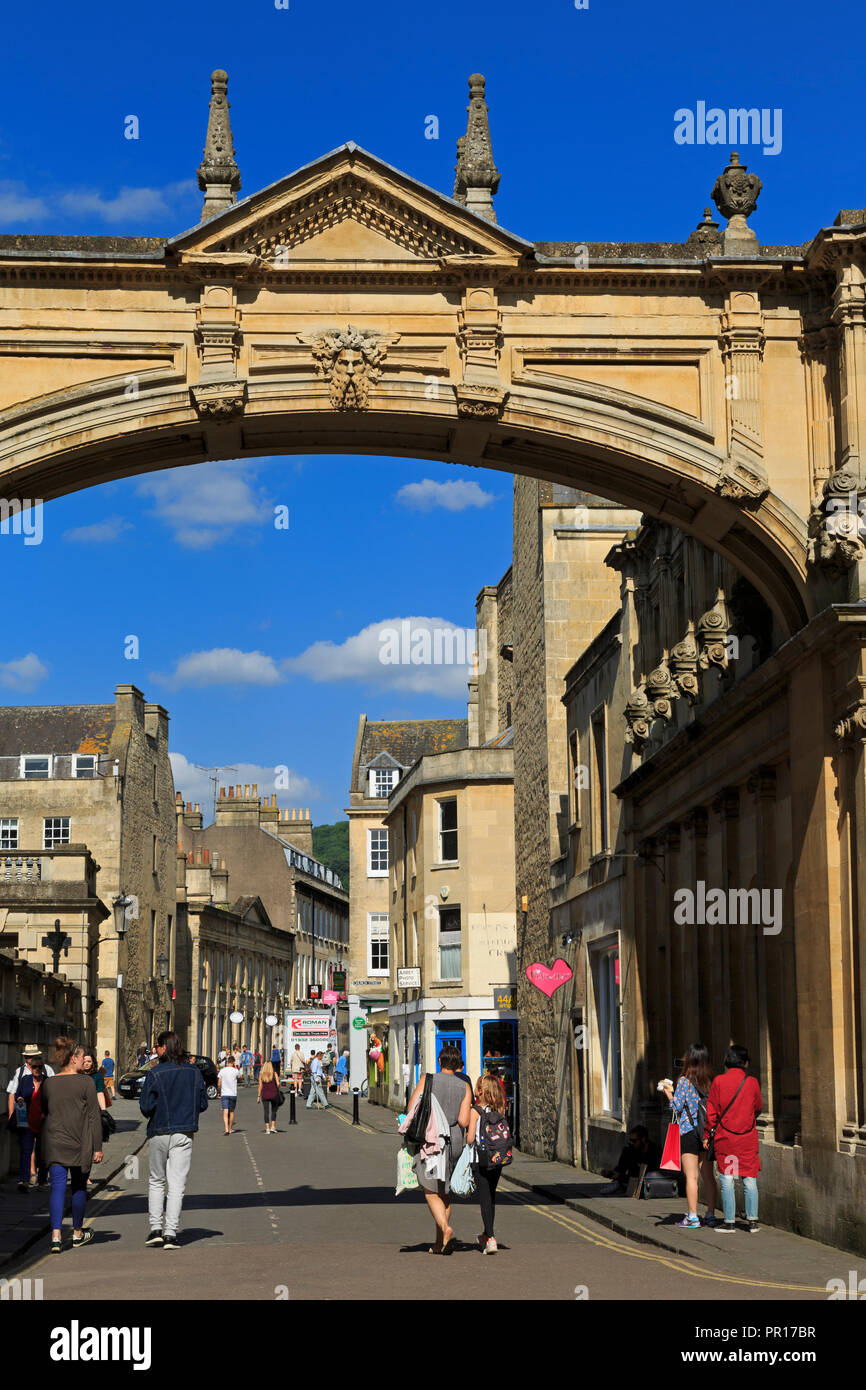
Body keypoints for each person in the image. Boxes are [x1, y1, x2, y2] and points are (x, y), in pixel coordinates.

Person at [139, 1031, 208, 1249]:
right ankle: (171, 1233)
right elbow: (203, 1103)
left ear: (163, 1048)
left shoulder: (155, 1072)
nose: (155, 1051)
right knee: (177, 1184)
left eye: (156, 1047)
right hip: (184, 1131)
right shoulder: (193, 1071)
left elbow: (145, 1106)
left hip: (159, 1131)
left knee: (157, 1180)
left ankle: (155, 1229)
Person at [406, 1043, 472, 1254]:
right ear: (458, 1065)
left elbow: (411, 1108)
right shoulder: (465, 1086)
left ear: (440, 1061)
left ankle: (445, 1228)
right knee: (443, 1192)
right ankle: (440, 1243)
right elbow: (463, 1120)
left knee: (429, 1189)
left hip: (433, 1141)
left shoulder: (428, 1079)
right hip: (454, 1143)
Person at [41, 1036, 103, 1253]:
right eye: (81, 1055)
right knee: (78, 1187)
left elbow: (44, 1111)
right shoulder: (86, 1082)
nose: (84, 1059)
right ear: (74, 1058)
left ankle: (56, 1236)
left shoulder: (49, 1083)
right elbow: (94, 1117)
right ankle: (77, 1233)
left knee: (57, 1188)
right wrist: (97, 1147)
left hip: (55, 1142)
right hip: (81, 1144)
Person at [706, 1044, 764, 1234]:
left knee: (728, 1179)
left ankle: (730, 1222)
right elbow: (758, 1107)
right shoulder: (752, 1082)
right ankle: (753, 1221)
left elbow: (712, 1112)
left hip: (727, 1139)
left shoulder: (719, 1082)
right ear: (745, 1062)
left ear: (727, 1061)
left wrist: (707, 1135)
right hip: (747, 1138)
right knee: (749, 1179)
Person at [662, 1042, 718, 1229]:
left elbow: (676, 1108)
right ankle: (710, 1215)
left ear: (691, 1059)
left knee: (692, 1177)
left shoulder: (685, 1081)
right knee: (709, 1176)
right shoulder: (711, 1081)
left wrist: (668, 1093)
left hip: (688, 1132)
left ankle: (693, 1217)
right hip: (706, 1133)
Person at [467, 1074, 511, 1254]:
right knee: (491, 1197)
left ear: (480, 1091)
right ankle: (486, 1234)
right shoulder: (500, 1110)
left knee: (484, 1198)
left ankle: (491, 1238)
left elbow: (470, 1139)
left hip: (480, 1160)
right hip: (498, 1160)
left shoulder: (475, 1111)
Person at [8, 1057, 47, 1192]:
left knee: (42, 1154)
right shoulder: (25, 1080)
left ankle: (42, 1181)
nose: (37, 1069)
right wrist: (19, 1099)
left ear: (43, 1068)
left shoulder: (47, 1082)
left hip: (43, 1124)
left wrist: (46, 1113)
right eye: (34, 1067)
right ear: (30, 1067)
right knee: (26, 1151)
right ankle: (24, 1180)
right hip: (27, 1122)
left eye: (39, 1067)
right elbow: (17, 1094)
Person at [600, 1126, 663, 1193]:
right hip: (632, 1178)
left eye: (634, 1141)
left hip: (648, 1180)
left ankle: (620, 1183)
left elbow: (647, 1173)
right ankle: (618, 1183)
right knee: (626, 1153)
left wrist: (621, 1177)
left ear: (643, 1139)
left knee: (648, 1176)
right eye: (630, 1140)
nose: (631, 1143)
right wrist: (612, 1173)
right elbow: (621, 1167)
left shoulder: (655, 1151)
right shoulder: (630, 1149)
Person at [217, 1053, 242, 1134]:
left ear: (227, 1062)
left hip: (224, 1093)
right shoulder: (235, 1071)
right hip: (233, 1094)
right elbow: (240, 1078)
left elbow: (219, 1083)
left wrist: (219, 1092)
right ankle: (231, 1128)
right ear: (233, 1062)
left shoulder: (222, 1070)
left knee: (225, 1111)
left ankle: (226, 1129)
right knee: (231, 1112)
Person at [258, 1060, 280, 1133]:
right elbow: (278, 1083)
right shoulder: (274, 1073)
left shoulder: (261, 1074)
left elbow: (260, 1086)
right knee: (274, 1110)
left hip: (264, 1094)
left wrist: (258, 1096)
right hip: (274, 1094)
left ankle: (267, 1129)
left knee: (266, 1111)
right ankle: (273, 1127)